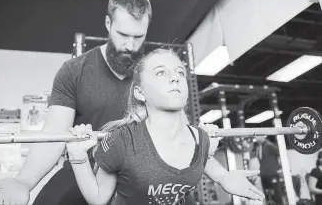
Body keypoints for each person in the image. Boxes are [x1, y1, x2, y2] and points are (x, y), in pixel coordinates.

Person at [0, 0, 154, 205]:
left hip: (143, 175)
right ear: (108, 24)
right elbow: (55, 134)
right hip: (86, 169)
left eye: (138, 36)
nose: (130, 46)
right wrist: (23, 182)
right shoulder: (74, 71)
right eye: (123, 35)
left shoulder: (155, 72)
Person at [65, 48, 265, 205]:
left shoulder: (200, 139)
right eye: (161, 72)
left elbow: (213, 169)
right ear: (140, 93)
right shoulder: (122, 140)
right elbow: (98, 198)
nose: (175, 77)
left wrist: (226, 179)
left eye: (180, 72)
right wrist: (78, 157)